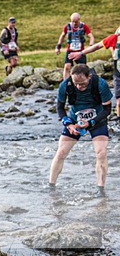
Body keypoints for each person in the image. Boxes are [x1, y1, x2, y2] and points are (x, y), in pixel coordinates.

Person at [48, 64, 113, 196]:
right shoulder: (65, 85)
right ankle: (51, 187)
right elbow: (60, 108)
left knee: (101, 153)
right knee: (61, 152)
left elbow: (107, 110)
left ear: (89, 76)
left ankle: (101, 191)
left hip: (97, 120)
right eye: (76, 83)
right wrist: (68, 125)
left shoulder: (100, 84)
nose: (79, 87)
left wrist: (90, 123)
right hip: (74, 120)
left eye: (82, 84)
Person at [70, 26, 120, 103]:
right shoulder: (114, 38)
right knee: (119, 100)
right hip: (118, 70)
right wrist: (81, 53)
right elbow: (97, 46)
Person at [55, 13, 94, 80]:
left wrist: (91, 46)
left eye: (75, 22)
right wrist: (58, 47)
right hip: (70, 50)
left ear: (79, 20)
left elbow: (91, 36)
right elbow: (62, 36)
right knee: (67, 67)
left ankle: (86, 82)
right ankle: (66, 83)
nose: (74, 23)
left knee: (83, 68)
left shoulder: (84, 26)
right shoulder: (67, 26)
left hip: (80, 51)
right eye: (72, 21)